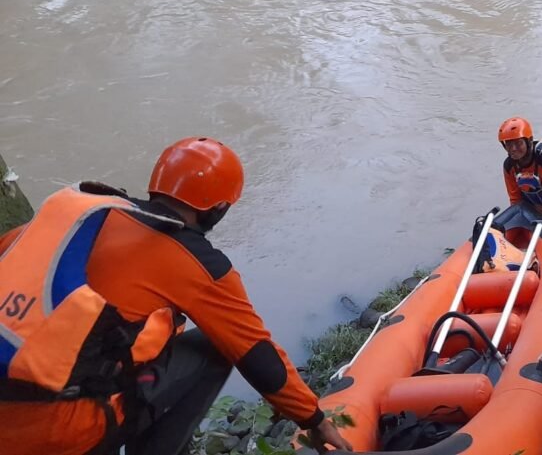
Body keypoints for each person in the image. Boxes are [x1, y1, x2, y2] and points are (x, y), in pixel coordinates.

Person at [0, 137, 352, 455]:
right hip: (59, 431)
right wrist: (313, 419)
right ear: (219, 209)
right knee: (217, 346)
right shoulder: (199, 263)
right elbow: (256, 353)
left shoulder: (81, 215)